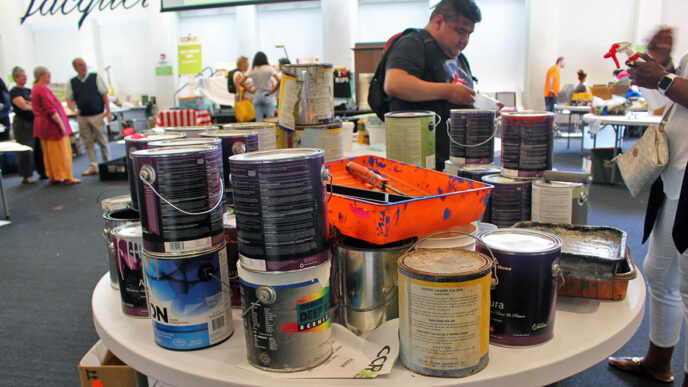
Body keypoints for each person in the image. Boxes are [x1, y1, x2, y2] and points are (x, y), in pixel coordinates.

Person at [608, 27, 688, 385]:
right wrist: (658, 76)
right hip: (676, 176)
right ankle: (658, 361)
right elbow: (670, 107)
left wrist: (666, 79)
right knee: (659, 272)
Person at [383, 0, 482, 172]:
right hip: (420, 165)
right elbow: (395, 83)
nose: (464, 40)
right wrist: (448, 91)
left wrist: (483, 112)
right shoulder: (413, 44)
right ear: (439, 22)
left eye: (469, 34)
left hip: (452, 163)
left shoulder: (458, 58)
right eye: (460, 31)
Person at [32, 66, 80, 185]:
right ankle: (64, 175)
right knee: (60, 151)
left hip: (43, 125)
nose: (49, 76)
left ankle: (54, 175)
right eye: (47, 73)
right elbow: (51, 109)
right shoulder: (43, 89)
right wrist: (61, 125)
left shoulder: (35, 88)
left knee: (49, 152)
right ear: (40, 75)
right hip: (52, 125)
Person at [66, 58, 111, 176]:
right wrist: (74, 110)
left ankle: (108, 163)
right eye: (80, 65)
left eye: (84, 64)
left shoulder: (95, 77)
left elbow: (104, 95)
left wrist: (108, 111)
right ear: (75, 68)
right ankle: (93, 166)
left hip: (97, 114)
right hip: (83, 116)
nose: (83, 67)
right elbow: (68, 99)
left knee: (102, 140)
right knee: (88, 142)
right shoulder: (72, 82)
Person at [10, 66, 47, 183]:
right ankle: (26, 175)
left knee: (38, 148)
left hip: (34, 121)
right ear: (15, 78)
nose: (24, 78)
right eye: (22, 76)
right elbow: (24, 106)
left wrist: (30, 104)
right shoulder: (14, 91)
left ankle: (43, 172)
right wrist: (30, 104)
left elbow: (37, 104)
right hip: (22, 124)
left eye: (26, 76)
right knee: (26, 149)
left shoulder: (28, 91)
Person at [242, 52, 280, 122]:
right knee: (270, 120)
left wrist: (250, 90)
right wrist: (274, 90)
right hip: (267, 94)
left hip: (256, 95)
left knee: (259, 121)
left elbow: (241, 81)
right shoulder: (269, 68)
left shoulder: (253, 69)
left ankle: (260, 132)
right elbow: (279, 80)